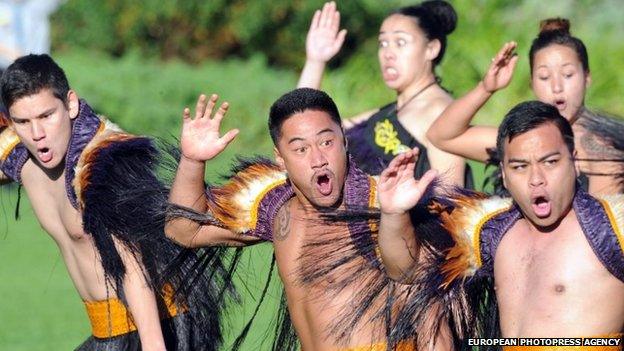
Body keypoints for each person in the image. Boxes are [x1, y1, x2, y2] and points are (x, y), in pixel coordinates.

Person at [165, 88, 452, 350]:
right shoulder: (276, 210)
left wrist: (395, 215)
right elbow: (182, 231)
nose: (318, 159)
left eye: (326, 142)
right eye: (301, 149)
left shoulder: (379, 207)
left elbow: (428, 309)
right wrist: (192, 161)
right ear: (280, 158)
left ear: (344, 139)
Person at [0, 54, 226, 350]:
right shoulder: (21, 157)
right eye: (23, 122)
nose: (38, 134)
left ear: (70, 104)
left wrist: (153, 345)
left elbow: (132, 261)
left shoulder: (104, 162)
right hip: (106, 334)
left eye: (46, 116)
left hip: (157, 327)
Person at [375, 100, 624, 346]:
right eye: (520, 166)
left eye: (550, 162)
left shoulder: (612, 226)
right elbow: (406, 271)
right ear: (504, 174)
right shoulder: (491, 230)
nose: (536, 179)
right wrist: (394, 214)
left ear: (575, 161)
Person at [427, 19, 624, 196]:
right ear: (532, 84)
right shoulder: (520, 140)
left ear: (587, 77)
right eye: (544, 77)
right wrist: (485, 88)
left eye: (568, 74)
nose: (557, 87)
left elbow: (602, 227)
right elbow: (442, 136)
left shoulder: (601, 149)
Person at [297, 1, 471, 187]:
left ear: (431, 49)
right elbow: (307, 131)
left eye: (400, 42)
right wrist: (315, 61)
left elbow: (450, 200)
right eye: (383, 43)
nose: (388, 53)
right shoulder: (390, 112)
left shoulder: (439, 111)